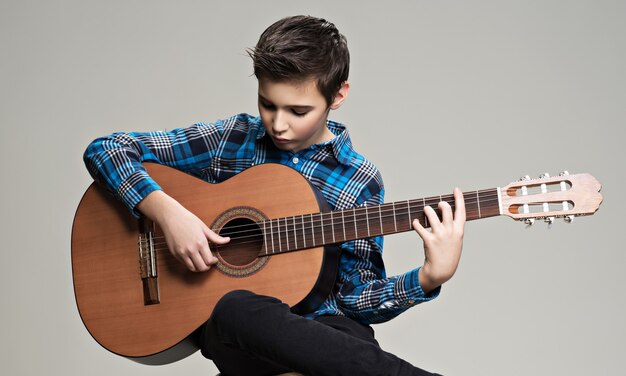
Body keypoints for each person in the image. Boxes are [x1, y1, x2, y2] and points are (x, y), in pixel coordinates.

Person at [83, 15, 465, 376]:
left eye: (298, 111)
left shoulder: (358, 180)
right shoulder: (233, 140)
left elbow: (353, 297)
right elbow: (107, 149)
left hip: (323, 330)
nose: (278, 124)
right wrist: (167, 213)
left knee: (351, 337)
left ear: (338, 95)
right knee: (235, 309)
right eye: (268, 104)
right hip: (239, 333)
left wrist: (428, 278)